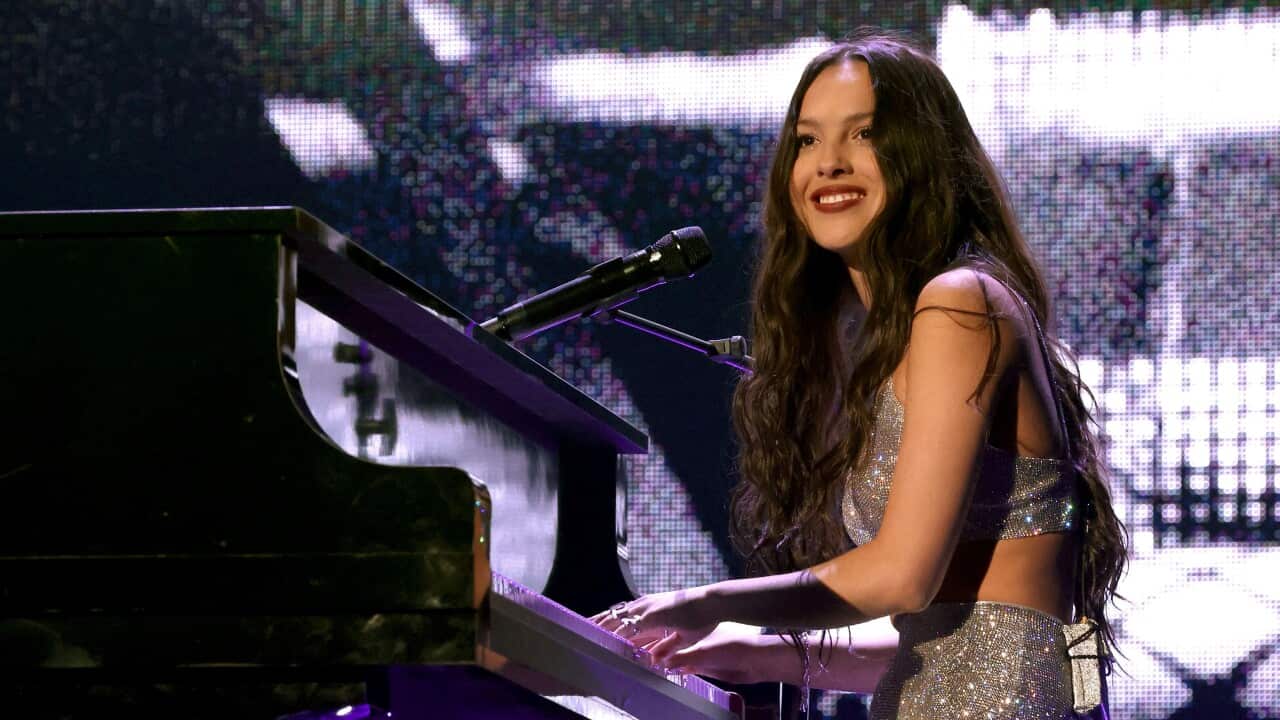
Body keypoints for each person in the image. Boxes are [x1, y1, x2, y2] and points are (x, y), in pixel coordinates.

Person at [592, 30, 1127, 720]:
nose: (829, 164)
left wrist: (703, 601)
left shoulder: (959, 302)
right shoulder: (936, 320)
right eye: (807, 142)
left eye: (863, 135)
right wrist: (765, 652)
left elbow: (904, 578)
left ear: (921, 159)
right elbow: (966, 635)